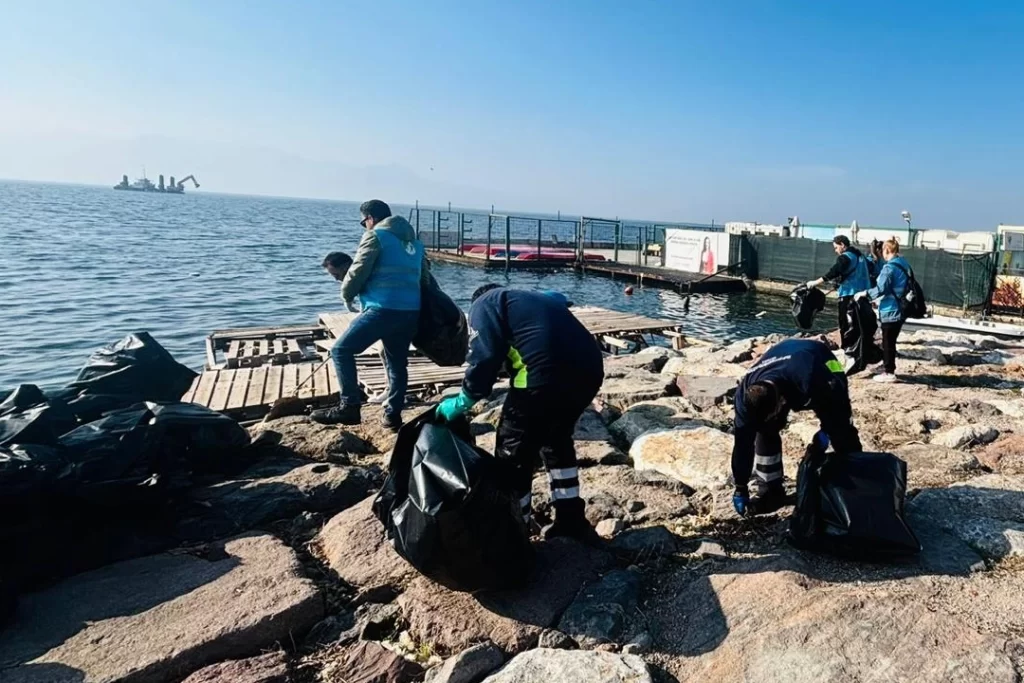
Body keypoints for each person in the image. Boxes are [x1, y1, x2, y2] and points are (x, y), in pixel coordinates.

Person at [435, 284, 604, 541]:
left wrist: (464, 399)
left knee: (513, 454)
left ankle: (515, 532)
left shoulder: (484, 304)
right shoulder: (530, 298)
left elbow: (484, 357)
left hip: (542, 377)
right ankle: (571, 519)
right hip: (590, 370)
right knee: (556, 440)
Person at [312, 200, 431, 430]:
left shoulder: (376, 236)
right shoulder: (415, 243)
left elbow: (358, 269)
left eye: (363, 222)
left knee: (341, 350)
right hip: (409, 312)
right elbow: (424, 279)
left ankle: (349, 407)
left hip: (382, 308)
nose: (364, 226)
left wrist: (346, 295)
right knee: (397, 363)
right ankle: (392, 415)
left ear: (370, 218)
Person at [731, 338, 863, 516]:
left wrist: (828, 431)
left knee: (841, 431)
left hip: (819, 359)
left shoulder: (811, 378)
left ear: (780, 403)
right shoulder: (744, 396)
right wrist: (740, 487)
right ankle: (771, 491)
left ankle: (858, 483)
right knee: (765, 430)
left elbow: (838, 400)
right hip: (783, 359)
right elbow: (742, 445)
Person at [805, 235, 872, 363]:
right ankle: (860, 350)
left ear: (842, 245)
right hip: (863, 294)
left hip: (849, 293)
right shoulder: (860, 256)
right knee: (858, 323)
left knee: (845, 323)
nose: (835, 250)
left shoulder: (845, 257)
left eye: (836, 247)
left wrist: (815, 282)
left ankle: (847, 351)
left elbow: (834, 271)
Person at [856, 239, 910, 383]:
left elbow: (881, 288)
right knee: (891, 340)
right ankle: (888, 366)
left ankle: (889, 372)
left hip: (891, 309)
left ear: (886, 250)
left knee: (888, 341)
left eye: (883, 252)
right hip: (901, 307)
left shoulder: (889, 268)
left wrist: (865, 294)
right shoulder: (904, 263)